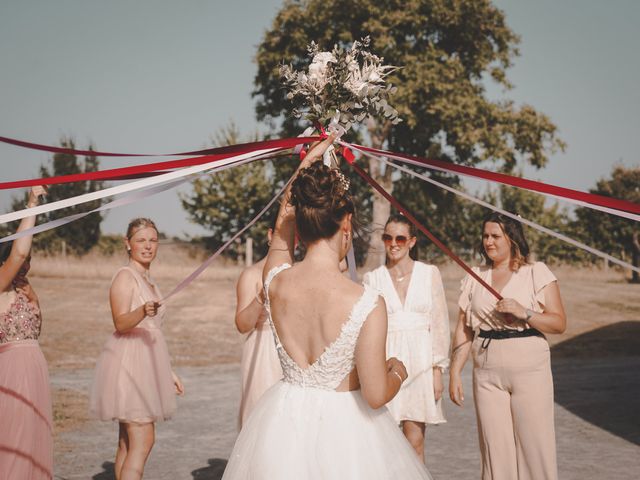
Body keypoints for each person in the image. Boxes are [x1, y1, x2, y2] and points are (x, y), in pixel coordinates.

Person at [222, 136, 432, 479]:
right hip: (347, 434)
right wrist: (397, 371)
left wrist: (305, 165)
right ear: (346, 222)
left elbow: (279, 231)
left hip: (282, 427)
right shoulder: (366, 301)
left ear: (301, 222)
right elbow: (376, 394)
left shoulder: (274, 282)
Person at [449, 212, 567, 480]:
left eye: (495, 236)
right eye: (485, 236)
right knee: (494, 449)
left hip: (529, 366)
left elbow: (559, 323)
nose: (488, 242)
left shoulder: (536, 272)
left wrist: (525, 312)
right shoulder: (474, 276)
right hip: (487, 370)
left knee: (534, 446)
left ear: (512, 238)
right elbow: (463, 329)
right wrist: (455, 371)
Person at [89, 218, 184, 480]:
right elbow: (120, 323)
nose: (148, 246)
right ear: (127, 243)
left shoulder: (148, 279)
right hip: (130, 366)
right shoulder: (125, 276)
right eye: (141, 240)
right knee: (143, 441)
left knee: (127, 444)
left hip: (148, 365)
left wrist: (168, 372)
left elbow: (154, 332)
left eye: (153, 240)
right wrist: (142, 310)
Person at [363, 213, 450, 462]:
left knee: (415, 441)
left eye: (400, 238)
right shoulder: (373, 279)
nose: (394, 243)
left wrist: (437, 370)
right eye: (388, 237)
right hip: (387, 362)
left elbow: (440, 324)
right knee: (384, 442)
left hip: (420, 362)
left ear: (412, 241)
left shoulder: (429, 274)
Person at [0, 186, 52, 480]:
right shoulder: (0, 283)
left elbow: (35, 334)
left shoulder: (24, 289)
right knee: (15, 445)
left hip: (35, 372)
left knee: (33, 444)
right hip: (12, 373)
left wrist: (34, 300)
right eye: (23, 257)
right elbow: (19, 251)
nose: (26, 261)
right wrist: (32, 203)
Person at [235, 228, 283, 429]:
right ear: (270, 235)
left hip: (292, 350)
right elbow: (242, 325)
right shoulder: (252, 274)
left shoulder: (298, 273)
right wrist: (261, 297)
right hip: (263, 352)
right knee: (262, 420)